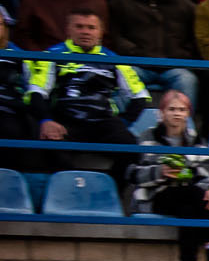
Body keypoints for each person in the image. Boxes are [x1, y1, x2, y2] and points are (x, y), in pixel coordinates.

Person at [28, 9, 147, 178]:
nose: (85, 31)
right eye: (79, 27)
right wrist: (46, 120)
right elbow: (36, 93)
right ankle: (70, 191)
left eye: (91, 27)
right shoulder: (52, 55)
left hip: (103, 121)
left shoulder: (113, 58)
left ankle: (109, 193)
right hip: (66, 121)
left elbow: (140, 96)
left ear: (100, 32)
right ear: (68, 30)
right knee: (49, 145)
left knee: (131, 149)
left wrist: (124, 121)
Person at [129, 89, 209, 261]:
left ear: (188, 114)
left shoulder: (195, 139)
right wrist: (160, 172)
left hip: (188, 198)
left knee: (188, 208)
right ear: (162, 112)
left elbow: (203, 172)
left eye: (181, 110)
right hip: (156, 195)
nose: (177, 114)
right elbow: (133, 174)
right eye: (172, 109)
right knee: (195, 195)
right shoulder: (147, 137)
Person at [106, 0, 198, 107]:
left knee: (187, 80)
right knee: (123, 76)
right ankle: (121, 126)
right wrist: (134, 52)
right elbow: (114, 34)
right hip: (136, 64)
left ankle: (186, 128)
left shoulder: (182, 3)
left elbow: (196, 34)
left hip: (173, 66)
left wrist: (184, 53)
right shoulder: (121, 1)